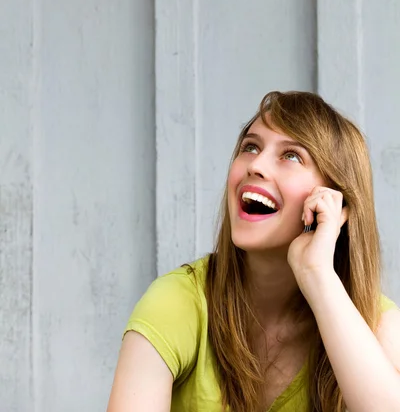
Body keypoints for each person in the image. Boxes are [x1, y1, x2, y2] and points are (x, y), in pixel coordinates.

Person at [107, 91, 400, 412]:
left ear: (333, 201)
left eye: (291, 156)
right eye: (250, 147)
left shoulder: (376, 323)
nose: (256, 165)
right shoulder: (177, 301)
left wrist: (317, 276)